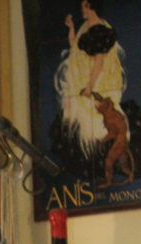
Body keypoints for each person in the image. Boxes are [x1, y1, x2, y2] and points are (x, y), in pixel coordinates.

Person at [55, 0, 125, 163]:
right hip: (82, 79)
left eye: (84, 8)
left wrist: (89, 87)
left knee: (96, 119)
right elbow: (75, 47)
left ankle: (102, 153)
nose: (82, 11)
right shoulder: (86, 25)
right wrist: (71, 27)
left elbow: (99, 63)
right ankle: (90, 154)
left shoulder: (100, 28)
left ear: (91, 7)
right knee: (81, 119)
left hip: (97, 82)